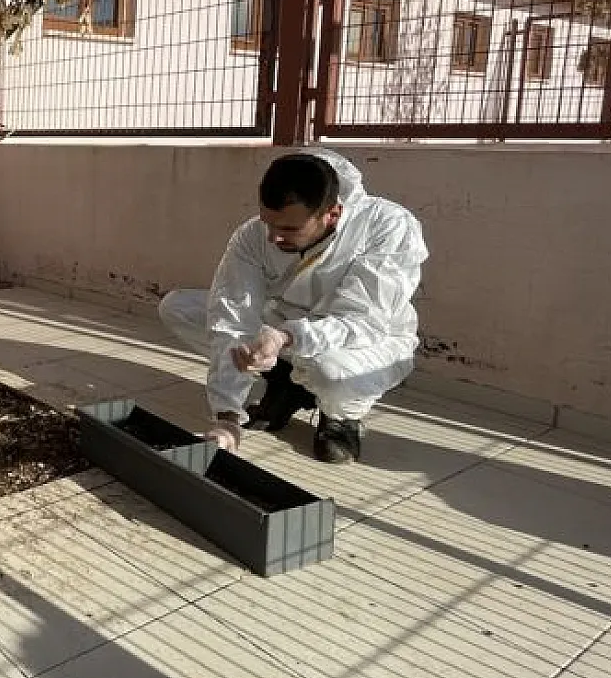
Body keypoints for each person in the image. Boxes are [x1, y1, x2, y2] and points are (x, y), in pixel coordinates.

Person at [158, 148, 427, 464]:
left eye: (288, 230)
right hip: (283, 329)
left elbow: (363, 320)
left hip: (368, 339)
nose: (272, 238)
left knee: (329, 371)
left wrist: (285, 337)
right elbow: (232, 317)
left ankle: (342, 418)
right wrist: (228, 417)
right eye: (267, 223)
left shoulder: (388, 227)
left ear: (332, 214)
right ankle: (284, 382)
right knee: (179, 308)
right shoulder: (252, 236)